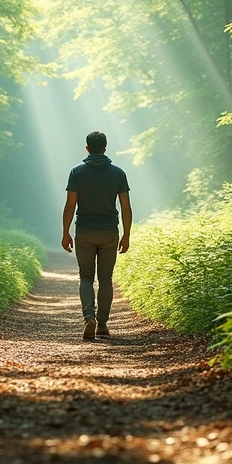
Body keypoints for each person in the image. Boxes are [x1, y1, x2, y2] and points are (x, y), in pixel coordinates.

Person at [61, 131, 132, 340]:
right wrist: (126, 234)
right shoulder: (118, 173)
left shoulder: (77, 172)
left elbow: (70, 205)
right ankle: (102, 325)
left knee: (85, 276)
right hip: (110, 231)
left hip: (85, 230)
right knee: (106, 278)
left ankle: (89, 317)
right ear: (105, 148)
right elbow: (126, 207)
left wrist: (65, 232)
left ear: (87, 148)